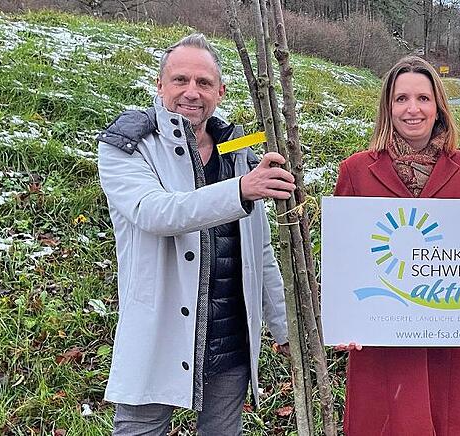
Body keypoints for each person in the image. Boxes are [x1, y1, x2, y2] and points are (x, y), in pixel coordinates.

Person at [333, 55, 460, 435]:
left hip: (453, 347)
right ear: (388, 107)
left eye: (423, 98)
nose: (412, 109)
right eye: (401, 99)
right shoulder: (355, 170)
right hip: (384, 345)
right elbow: (344, 259)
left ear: (438, 107)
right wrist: (343, 317)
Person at [97, 34, 296, 435]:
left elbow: (260, 251)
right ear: (159, 85)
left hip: (228, 339)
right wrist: (240, 190)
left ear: (220, 91)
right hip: (159, 334)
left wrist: (284, 327)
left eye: (204, 83)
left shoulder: (239, 152)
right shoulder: (129, 146)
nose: (192, 92)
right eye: (180, 80)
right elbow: (155, 212)